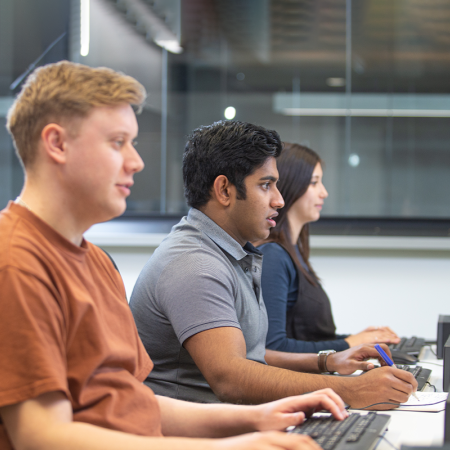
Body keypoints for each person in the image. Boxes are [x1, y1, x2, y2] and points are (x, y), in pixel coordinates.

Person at [0, 61, 349, 450]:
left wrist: (257, 417)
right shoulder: (16, 262)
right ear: (57, 144)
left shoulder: (95, 262)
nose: (136, 161)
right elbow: (41, 436)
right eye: (118, 142)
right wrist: (227, 447)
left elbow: (137, 405)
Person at [130, 120, 417, 409]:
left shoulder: (232, 253)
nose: (279, 200)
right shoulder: (195, 264)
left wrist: (327, 361)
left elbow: (252, 357)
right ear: (224, 190)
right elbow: (231, 379)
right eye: (266, 185)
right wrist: (350, 390)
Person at [257, 143, 401, 354]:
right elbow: (273, 347)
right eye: (314, 183)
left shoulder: (293, 252)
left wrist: (358, 339)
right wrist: (350, 343)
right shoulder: (274, 256)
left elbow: (311, 338)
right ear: (290, 185)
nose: (324, 192)